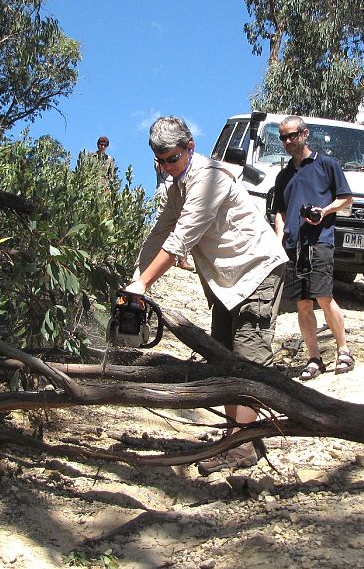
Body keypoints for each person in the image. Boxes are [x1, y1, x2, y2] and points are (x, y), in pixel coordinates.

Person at [125, 116, 287, 475]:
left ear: (190, 147)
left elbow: (180, 239)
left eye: (172, 159)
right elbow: (160, 232)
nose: (167, 168)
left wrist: (145, 285)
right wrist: (134, 278)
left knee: (246, 361)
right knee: (224, 358)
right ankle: (239, 438)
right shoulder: (176, 186)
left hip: (256, 269)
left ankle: (240, 447)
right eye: (160, 161)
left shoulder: (208, 179)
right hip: (226, 281)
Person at [271, 116, 354, 381]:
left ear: (305, 134)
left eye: (292, 135)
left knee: (323, 296)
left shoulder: (327, 164)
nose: (287, 141)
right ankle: (314, 358)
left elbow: (346, 198)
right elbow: (279, 212)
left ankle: (343, 351)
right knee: (303, 303)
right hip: (294, 245)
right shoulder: (283, 176)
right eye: (283, 137)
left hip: (320, 239)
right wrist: (278, 238)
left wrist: (324, 211)